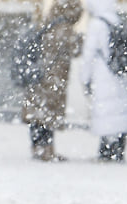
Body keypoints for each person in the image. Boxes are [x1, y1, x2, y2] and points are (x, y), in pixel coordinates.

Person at [79, 0, 127, 161]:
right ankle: (118, 148)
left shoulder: (97, 24)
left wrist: (84, 77)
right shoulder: (119, 21)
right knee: (120, 111)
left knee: (105, 112)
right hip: (121, 76)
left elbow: (88, 55)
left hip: (104, 75)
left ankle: (106, 150)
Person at [22, 0, 83, 161]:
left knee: (37, 114)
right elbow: (76, 50)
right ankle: (48, 150)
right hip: (54, 78)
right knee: (49, 115)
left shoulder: (47, 23)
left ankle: (37, 148)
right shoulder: (65, 29)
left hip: (38, 76)